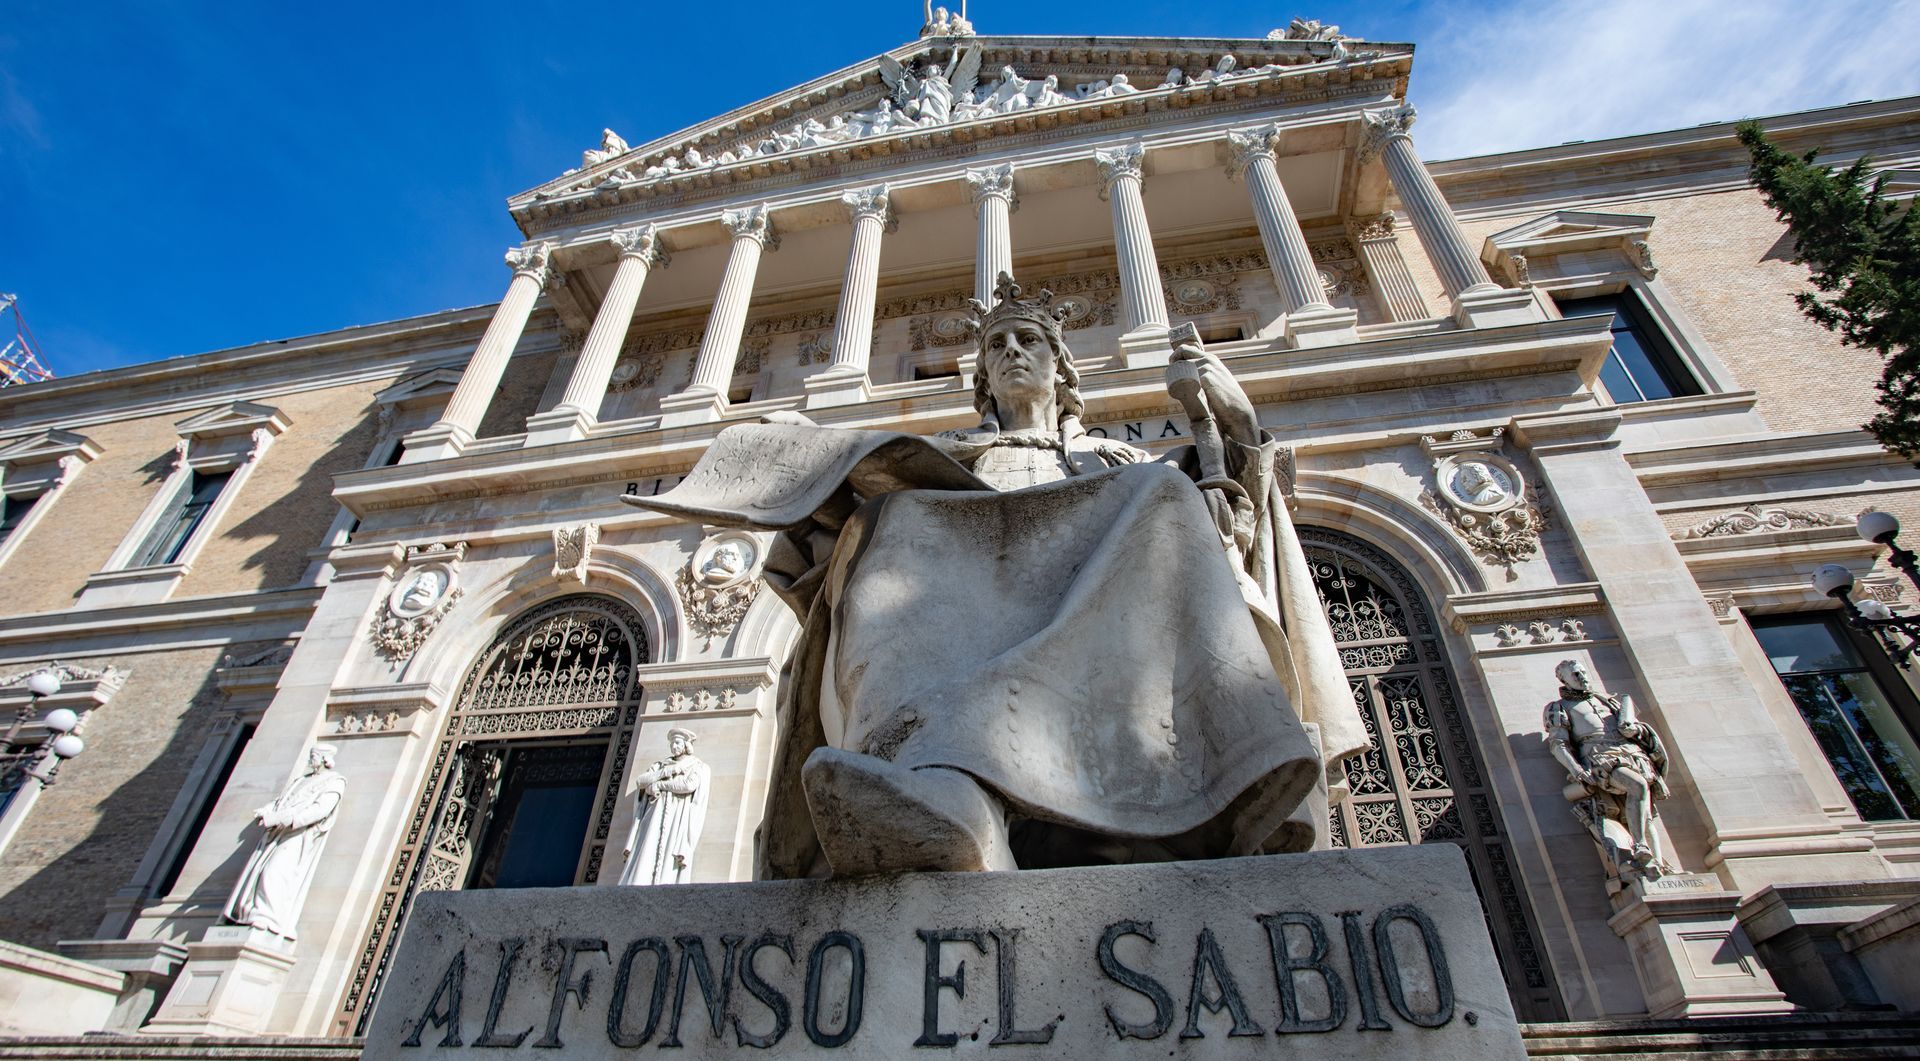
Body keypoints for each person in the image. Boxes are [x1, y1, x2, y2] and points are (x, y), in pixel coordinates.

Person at [623, 274, 1364, 878]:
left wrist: (1233, 427)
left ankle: (974, 787)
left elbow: (1226, 522)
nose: (1011, 352)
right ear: (980, 378)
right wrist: (813, 470)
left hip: (1101, 628)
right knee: (889, 522)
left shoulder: (1117, 463)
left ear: (1060, 368)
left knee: (1166, 497)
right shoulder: (944, 463)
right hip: (961, 616)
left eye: (1028, 341)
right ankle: (939, 788)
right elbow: (814, 553)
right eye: (996, 346)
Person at [1544, 660, 1669, 872]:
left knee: (1646, 813)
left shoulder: (1608, 701)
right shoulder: (1559, 707)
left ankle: (1657, 865)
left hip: (1633, 755)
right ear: (1564, 680)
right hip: (1601, 759)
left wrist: (1635, 730)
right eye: (1575, 674)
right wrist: (1577, 770)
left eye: (1583, 672)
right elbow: (1559, 744)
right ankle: (1640, 845)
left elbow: (1637, 730)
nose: (1582, 677)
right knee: (1638, 786)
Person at [222, 745, 347, 939]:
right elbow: (281, 801)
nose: (310, 760)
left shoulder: (334, 781)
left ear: (325, 758)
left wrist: (284, 819)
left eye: (314, 756)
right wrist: (266, 811)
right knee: (260, 871)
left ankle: (267, 916)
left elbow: (319, 810)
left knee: (274, 871)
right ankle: (252, 913)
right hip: (277, 833)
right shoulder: (301, 781)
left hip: (298, 834)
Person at [620, 728, 711, 886]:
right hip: (654, 814)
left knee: (668, 854)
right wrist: (663, 773)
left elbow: (688, 785)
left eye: (677, 743)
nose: (674, 746)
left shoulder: (696, 766)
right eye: (672, 743)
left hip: (677, 817)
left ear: (686, 745)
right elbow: (641, 781)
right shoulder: (660, 765)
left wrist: (660, 785)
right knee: (646, 848)